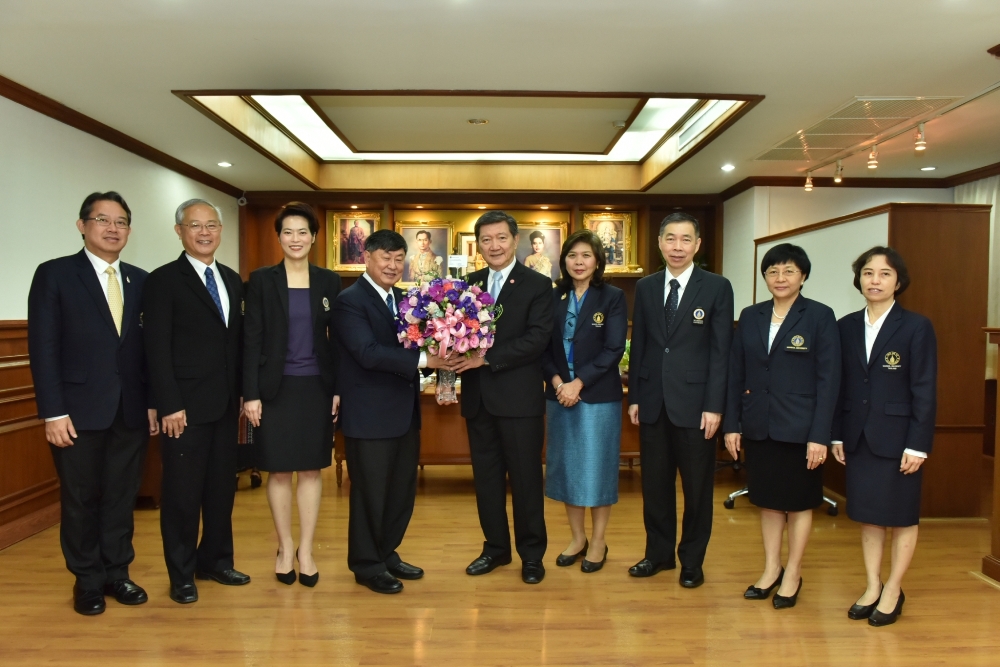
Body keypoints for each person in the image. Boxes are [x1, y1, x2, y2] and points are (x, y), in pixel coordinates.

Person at [27, 191, 158, 615]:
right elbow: (43, 347)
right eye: (103, 220)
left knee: (121, 495)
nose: (112, 228)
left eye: (121, 222)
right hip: (76, 411)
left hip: (130, 410)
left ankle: (117, 572)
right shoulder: (56, 274)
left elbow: (149, 351)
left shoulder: (141, 280)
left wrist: (152, 402)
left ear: (129, 230)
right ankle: (86, 580)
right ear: (82, 225)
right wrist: (53, 411)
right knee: (81, 498)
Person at [143, 198, 249, 604]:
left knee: (222, 490)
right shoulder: (163, 280)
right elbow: (156, 347)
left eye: (212, 225)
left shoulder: (231, 279)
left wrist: (244, 394)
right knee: (182, 495)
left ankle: (216, 561)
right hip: (183, 409)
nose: (205, 232)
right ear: (179, 231)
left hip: (224, 405)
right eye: (195, 225)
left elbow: (235, 343)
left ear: (221, 230)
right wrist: (169, 403)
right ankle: (181, 573)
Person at [723, 243, 841, 609]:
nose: (780, 277)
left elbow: (829, 381)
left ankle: (793, 573)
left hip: (801, 430)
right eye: (773, 271)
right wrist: (732, 424)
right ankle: (771, 568)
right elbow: (735, 373)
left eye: (789, 271)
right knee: (768, 502)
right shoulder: (751, 315)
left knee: (800, 503)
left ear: (803, 276)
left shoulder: (819, 316)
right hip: (759, 425)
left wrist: (820, 435)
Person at [333, 229, 448, 594]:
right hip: (369, 415)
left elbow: (415, 346)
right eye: (386, 258)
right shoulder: (350, 300)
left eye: (399, 259)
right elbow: (367, 353)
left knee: (400, 492)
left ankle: (386, 553)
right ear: (366, 257)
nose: (393, 266)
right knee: (370, 494)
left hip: (404, 413)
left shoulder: (403, 299)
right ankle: (367, 564)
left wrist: (443, 352)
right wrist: (426, 360)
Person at [831, 246, 937, 627]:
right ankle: (873, 585)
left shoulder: (916, 327)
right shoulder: (844, 326)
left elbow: (924, 389)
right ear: (859, 279)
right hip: (858, 436)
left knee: (902, 516)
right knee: (869, 516)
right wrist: (836, 435)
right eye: (868, 273)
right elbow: (839, 385)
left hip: (900, 439)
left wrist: (918, 444)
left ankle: (893, 588)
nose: (874, 280)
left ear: (899, 282)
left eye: (884, 274)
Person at [627, 211, 733, 588]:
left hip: (696, 405)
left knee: (697, 489)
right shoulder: (646, 287)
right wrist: (636, 396)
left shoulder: (717, 287)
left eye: (685, 239)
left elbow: (721, 352)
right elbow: (640, 344)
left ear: (697, 245)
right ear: (659, 243)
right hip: (653, 402)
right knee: (655, 486)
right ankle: (658, 554)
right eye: (670, 238)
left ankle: (692, 560)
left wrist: (715, 405)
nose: (677, 246)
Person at [450, 210, 554, 584]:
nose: (494, 245)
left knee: (526, 481)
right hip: (478, 400)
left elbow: (537, 339)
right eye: (486, 239)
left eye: (501, 238)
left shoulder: (538, 285)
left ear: (515, 240)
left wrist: (486, 358)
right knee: (487, 480)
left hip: (519, 401)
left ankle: (532, 555)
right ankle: (495, 548)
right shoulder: (467, 285)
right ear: (478, 245)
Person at [243, 202, 341, 588]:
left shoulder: (328, 281)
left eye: (303, 232)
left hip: (316, 387)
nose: (295, 239)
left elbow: (336, 341)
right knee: (280, 470)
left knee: (312, 469)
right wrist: (251, 394)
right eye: (288, 232)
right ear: (279, 237)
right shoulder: (261, 280)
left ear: (314, 237)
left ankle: (307, 550)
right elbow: (251, 340)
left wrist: (336, 389)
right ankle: (284, 547)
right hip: (275, 389)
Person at [541, 230, 627, 573]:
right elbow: (542, 347)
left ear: (598, 260)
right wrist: (559, 383)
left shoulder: (612, 297)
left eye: (586, 255)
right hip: (559, 395)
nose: (579, 262)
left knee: (598, 469)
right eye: (572, 255)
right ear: (564, 260)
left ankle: (599, 540)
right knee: (567, 469)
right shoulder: (553, 296)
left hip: (597, 397)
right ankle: (577, 538)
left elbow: (614, 348)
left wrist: (578, 383)